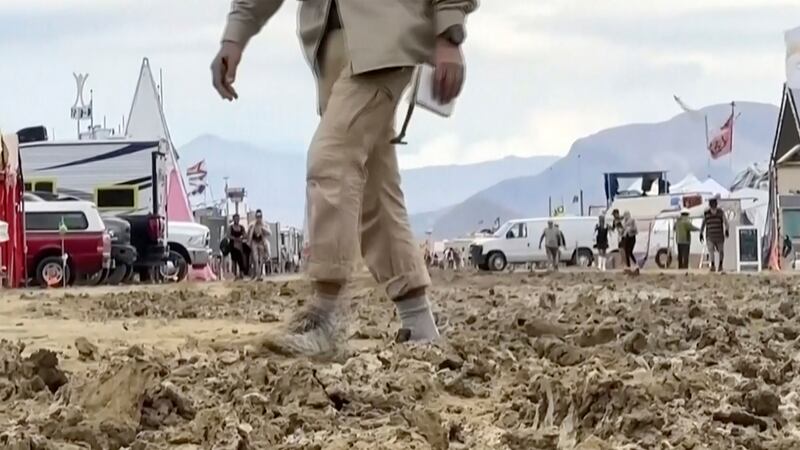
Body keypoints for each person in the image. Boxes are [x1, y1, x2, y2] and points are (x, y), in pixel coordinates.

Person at [213, 0, 477, 355]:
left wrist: (450, 32)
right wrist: (235, 35)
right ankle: (420, 326)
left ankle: (326, 317)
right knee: (375, 187)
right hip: (330, 50)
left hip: (388, 38)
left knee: (331, 158)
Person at [700, 198, 729, 272]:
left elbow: (726, 222)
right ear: (710, 205)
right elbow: (703, 224)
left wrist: (726, 230)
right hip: (710, 236)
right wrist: (701, 233)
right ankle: (712, 265)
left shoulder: (720, 212)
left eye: (714, 204)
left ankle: (720, 265)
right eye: (712, 204)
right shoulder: (706, 213)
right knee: (711, 251)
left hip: (719, 236)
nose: (713, 206)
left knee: (721, 251)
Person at [248, 210, 272, 280]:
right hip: (254, 242)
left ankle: (259, 274)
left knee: (261, 259)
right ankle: (256, 274)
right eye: (257, 216)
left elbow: (270, 233)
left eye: (260, 216)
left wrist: (263, 229)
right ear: (255, 216)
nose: (259, 218)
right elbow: (249, 233)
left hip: (261, 241)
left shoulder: (265, 224)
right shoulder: (252, 224)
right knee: (255, 259)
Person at [227, 214, 249, 279]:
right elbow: (228, 235)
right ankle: (235, 274)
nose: (237, 220)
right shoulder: (230, 227)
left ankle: (241, 273)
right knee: (234, 260)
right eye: (235, 218)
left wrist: (241, 237)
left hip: (240, 245)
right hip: (233, 245)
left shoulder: (241, 227)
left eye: (238, 218)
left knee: (241, 259)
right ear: (233, 219)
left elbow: (245, 235)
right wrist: (235, 238)